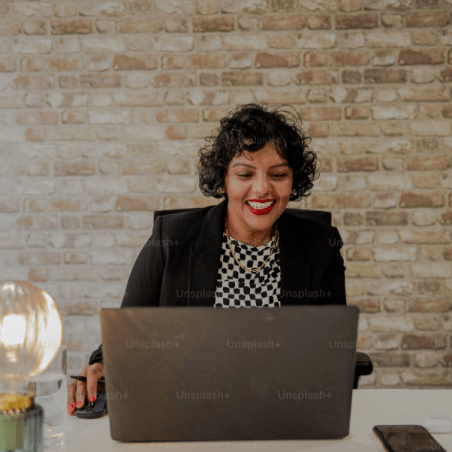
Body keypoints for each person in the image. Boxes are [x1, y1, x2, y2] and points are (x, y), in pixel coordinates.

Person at [67, 103, 347, 416]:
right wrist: (102, 365)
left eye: (278, 175)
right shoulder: (171, 238)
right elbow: (128, 332)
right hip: (186, 410)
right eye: (244, 174)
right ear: (223, 179)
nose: (262, 189)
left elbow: (332, 355)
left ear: (293, 180)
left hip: (282, 413)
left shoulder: (321, 246)